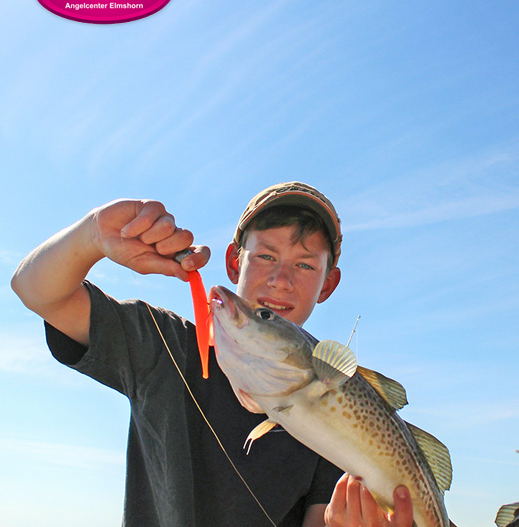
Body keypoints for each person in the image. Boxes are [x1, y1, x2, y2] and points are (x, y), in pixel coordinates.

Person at [12, 182, 350, 527]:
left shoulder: (339, 402)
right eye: (265, 256)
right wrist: (94, 233)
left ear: (327, 283)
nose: (281, 280)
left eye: (306, 266)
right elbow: (35, 290)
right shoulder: (162, 342)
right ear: (234, 263)